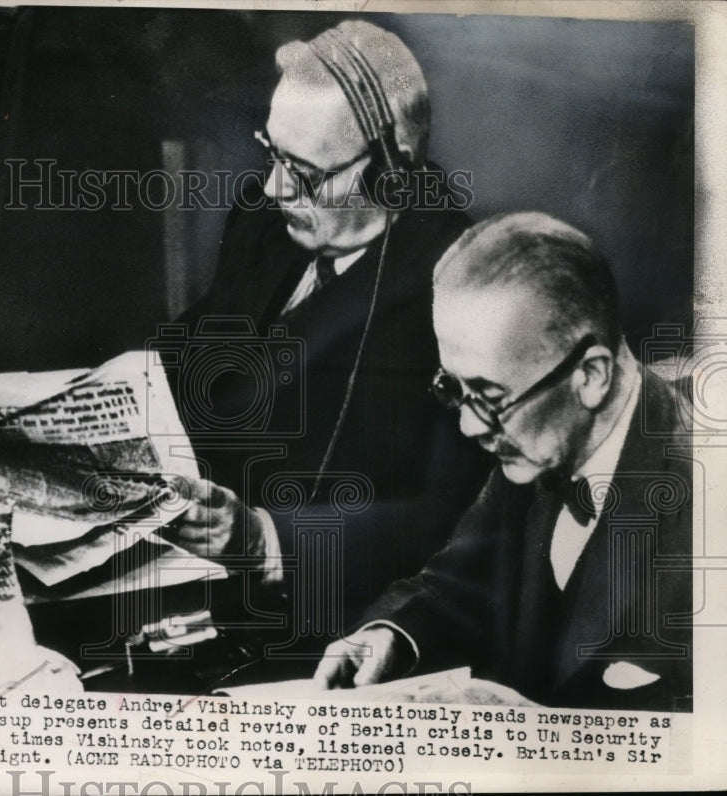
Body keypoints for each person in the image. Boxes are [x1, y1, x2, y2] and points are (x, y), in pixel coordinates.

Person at [163, 20, 489, 649]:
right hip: (179, 567)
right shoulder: (268, 219)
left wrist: (263, 538)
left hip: (320, 621)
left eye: (307, 172)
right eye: (273, 153)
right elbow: (195, 346)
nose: (277, 186)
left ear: (391, 173)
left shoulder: (460, 286)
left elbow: (449, 520)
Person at [313, 212, 692, 711]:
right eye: (454, 389)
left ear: (592, 375)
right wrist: (394, 634)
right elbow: (460, 583)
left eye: (490, 396)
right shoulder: (537, 443)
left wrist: (541, 734)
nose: (470, 426)